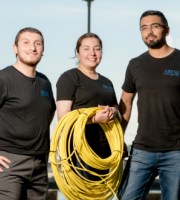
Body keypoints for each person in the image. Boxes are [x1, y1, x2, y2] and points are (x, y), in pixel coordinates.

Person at [118, 10, 180, 200]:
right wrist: (117, 139)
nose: (149, 31)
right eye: (144, 28)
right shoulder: (135, 64)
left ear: (167, 30)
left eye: (155, 26)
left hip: (177, 149)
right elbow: (125, 104)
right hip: (142, 149)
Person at [0, 27, 56, 199]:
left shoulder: (44, 82)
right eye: (26, 43)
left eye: (37, 44)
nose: (32, 48)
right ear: (15, 48)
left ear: (43, 50)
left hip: (38, 164)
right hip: (6, 163)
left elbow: (48, 113)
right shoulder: (1, 79)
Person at [56, 33, 120, 179]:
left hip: (106, 153)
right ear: (78, 54)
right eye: (86, 49)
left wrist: (112, 112)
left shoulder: (107, 82)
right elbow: (63, 118)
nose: (92, 53)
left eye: (97, 49)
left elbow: (118, 113)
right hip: (79, 153)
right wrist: (94, 118)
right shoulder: (69, 78)